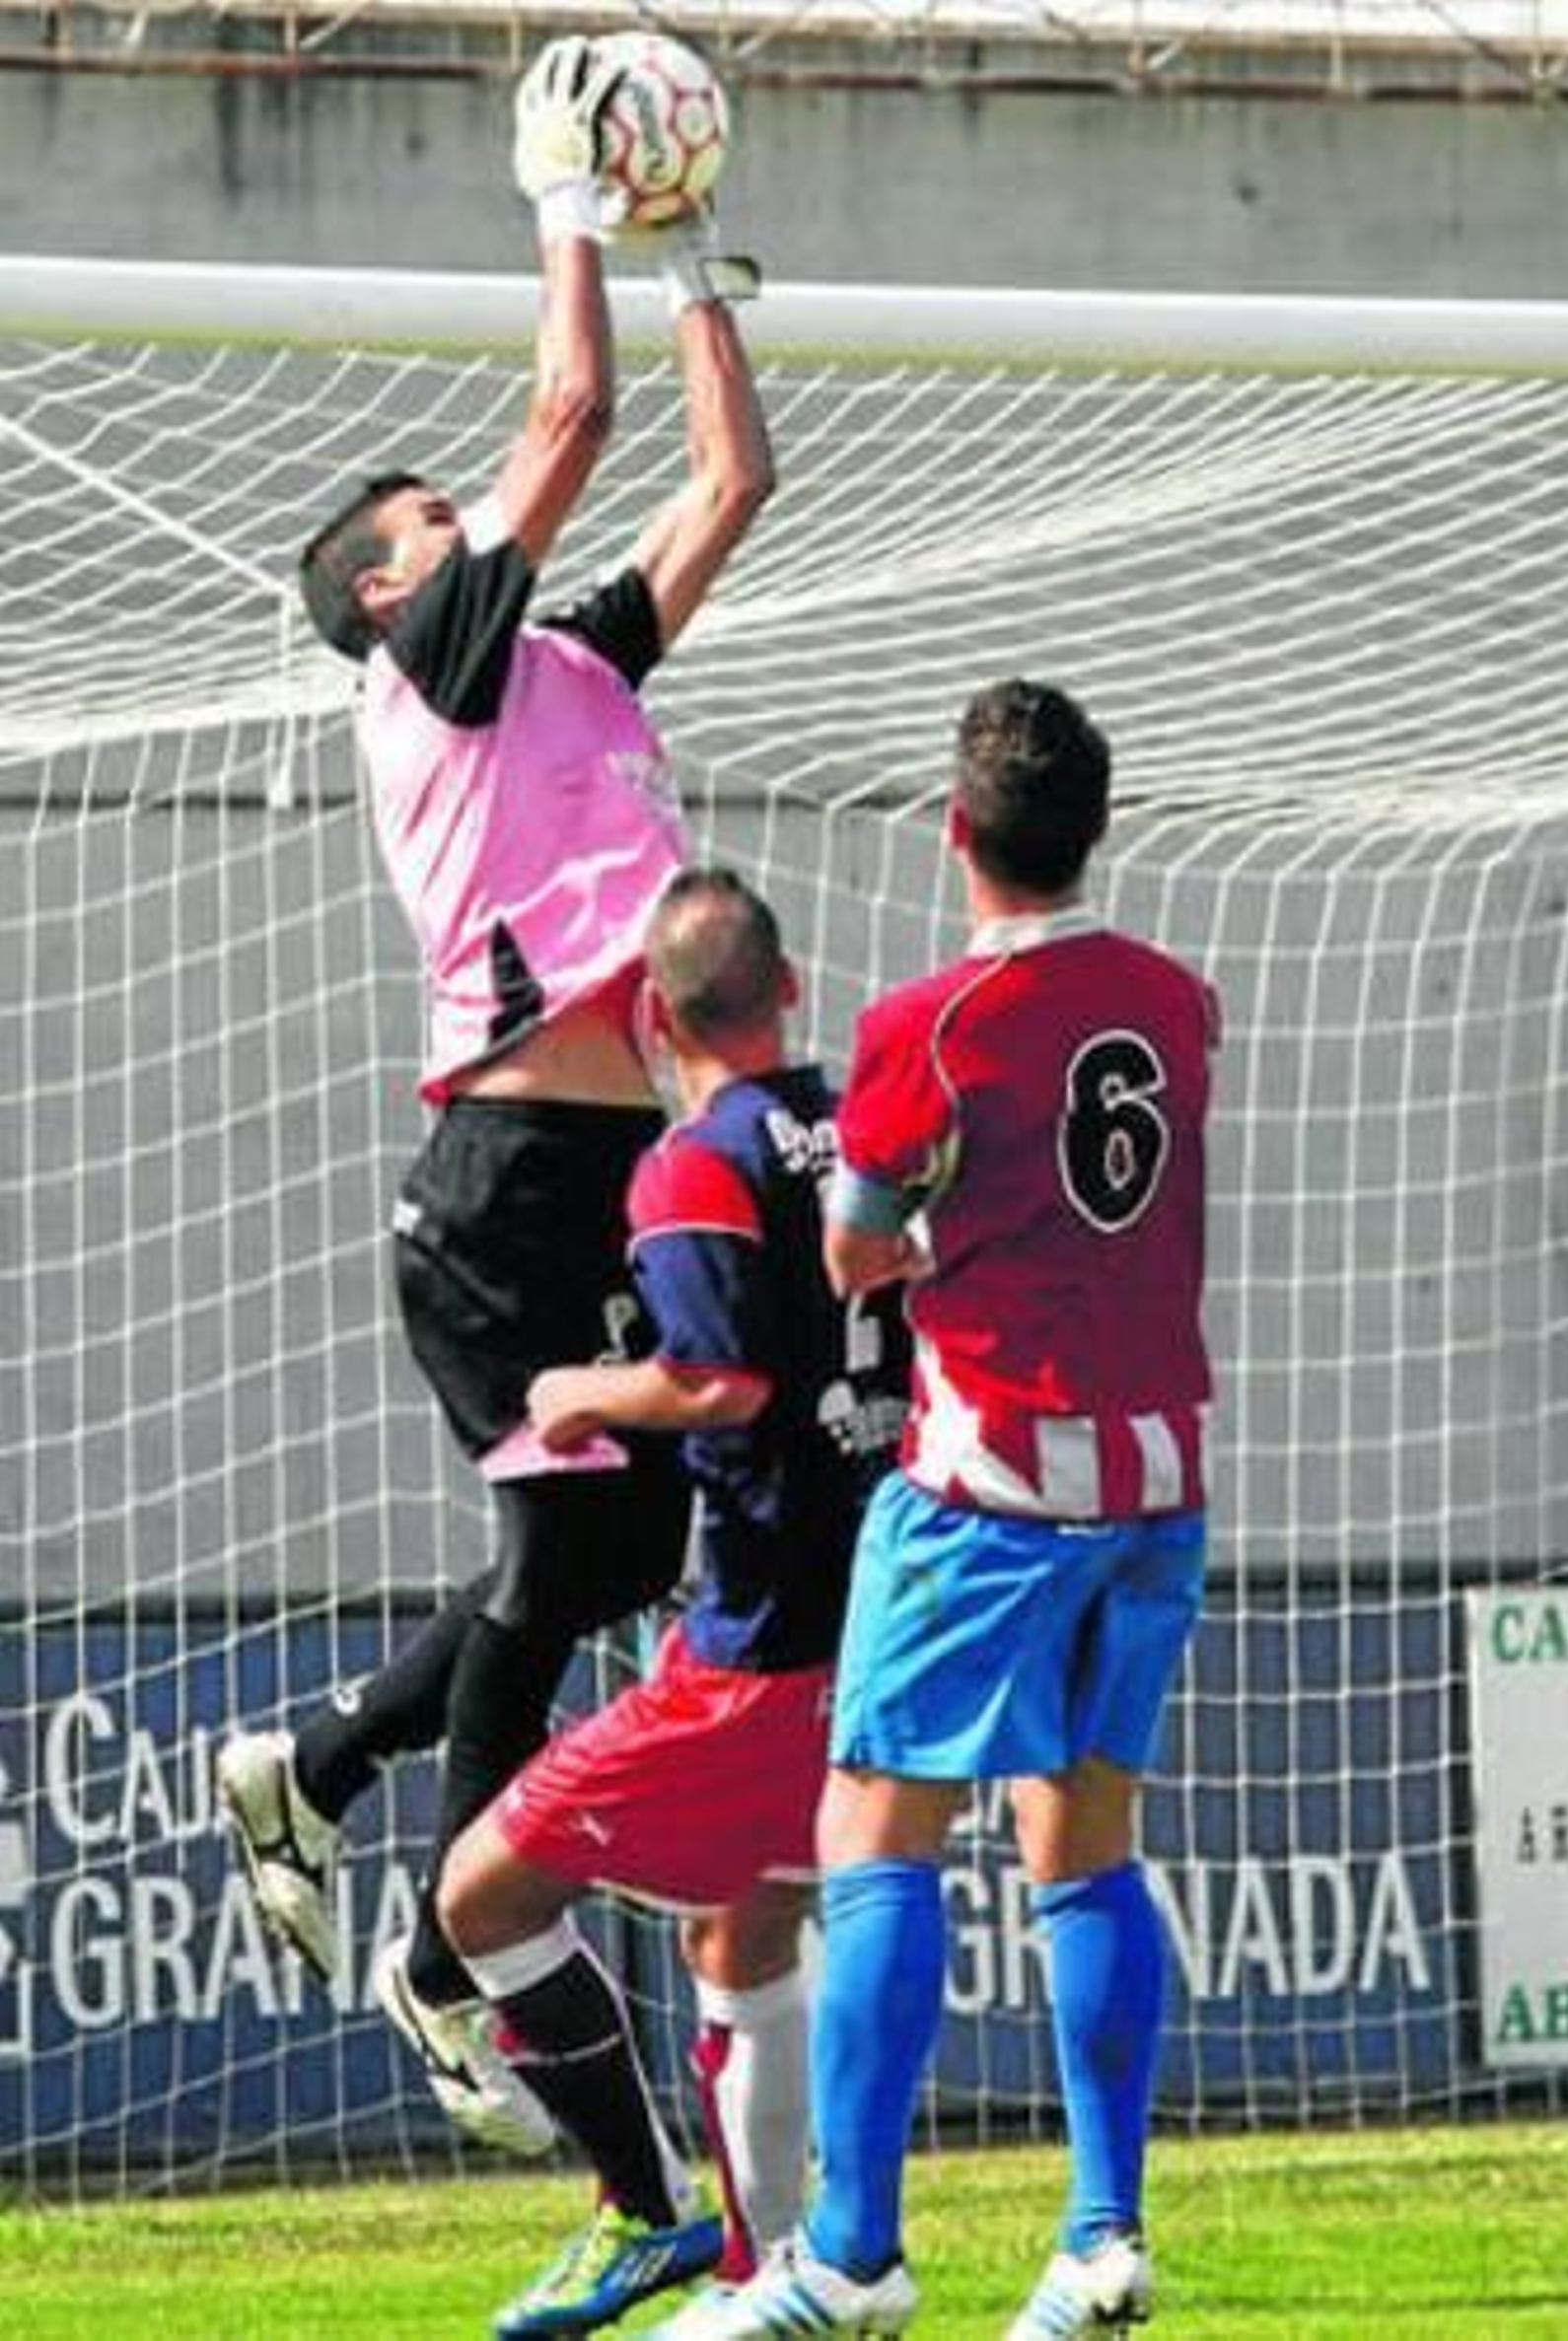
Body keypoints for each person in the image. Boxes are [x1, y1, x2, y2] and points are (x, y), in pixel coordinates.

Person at [216, 35, 775, 2160]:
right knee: (565, 1554)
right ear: (385, 584)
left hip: (615, 1172)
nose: (476, 524)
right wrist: (564, 201)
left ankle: (326, 1770)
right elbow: (573, 410)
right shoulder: (422, 670)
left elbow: (724, 484)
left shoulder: (576, 661)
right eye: (432, 527)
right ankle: (452, 1962)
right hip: (506, 1181)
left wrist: (695, 242)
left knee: (611, 1542)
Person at [653, 680, 1219, 2341]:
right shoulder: (1179, 1001)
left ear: (956, 833)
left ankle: (849, 2255)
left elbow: (853, 1246)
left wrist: (913, 1229)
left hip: (993, 1481)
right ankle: (1100, 2234)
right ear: (1092, 825)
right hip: (1158, 1478)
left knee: (873, 1828)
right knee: (1086, 1833)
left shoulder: (932, 1024)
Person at [433, 868, 909, 2338]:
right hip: (880, 1603)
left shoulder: (694, 1163)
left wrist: (579, 1391)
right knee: (741, 1939)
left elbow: (717, 1380)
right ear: (789, 989)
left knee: (481, 1896)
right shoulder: (865, 1127)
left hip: (754, 1650)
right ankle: (787, 2275)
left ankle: (648, 2212)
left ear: (652, 1013)